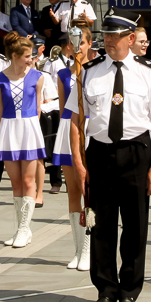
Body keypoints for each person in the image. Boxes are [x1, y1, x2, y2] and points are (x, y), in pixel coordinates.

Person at [67, 9, 151, 302]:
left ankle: (129, 291)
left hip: (136, 152)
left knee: (135, 225)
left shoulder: (148, 71)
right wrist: (79, 161)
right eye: (106, 36)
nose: (109, 41)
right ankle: (105, 289)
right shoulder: (89, 71)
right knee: (100, 225)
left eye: (115, 36)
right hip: (100, 153)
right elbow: (77, 121)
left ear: (130, 38)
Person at [0, 32, 46, 248]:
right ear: (14, 56)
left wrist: (31, 127)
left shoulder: (38, 77)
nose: (30, 59)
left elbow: (38, 108)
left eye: (31, 55)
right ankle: (20, 228)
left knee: (28, 181)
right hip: (8, 128)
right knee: (16, 183)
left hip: (29, 128)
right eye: (26, 55)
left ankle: (25, 228)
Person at [54, 25, 94, 270]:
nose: (77, 46)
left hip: (89, 130)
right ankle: (78, 249)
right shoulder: (61, 74)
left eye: (82, 41)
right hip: (68, 129)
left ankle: (89, 250)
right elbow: (62, 109)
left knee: (88, 190)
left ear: (89, 44)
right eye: (73, 41)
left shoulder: (95, 72)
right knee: (72, 194)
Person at [35, 36, 62, 198]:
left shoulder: (44, 75)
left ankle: (55, 182)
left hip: (44, 116)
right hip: (26, 119)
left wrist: (41, 106)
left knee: (51, 149)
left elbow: (52, 100)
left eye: (32, 58)